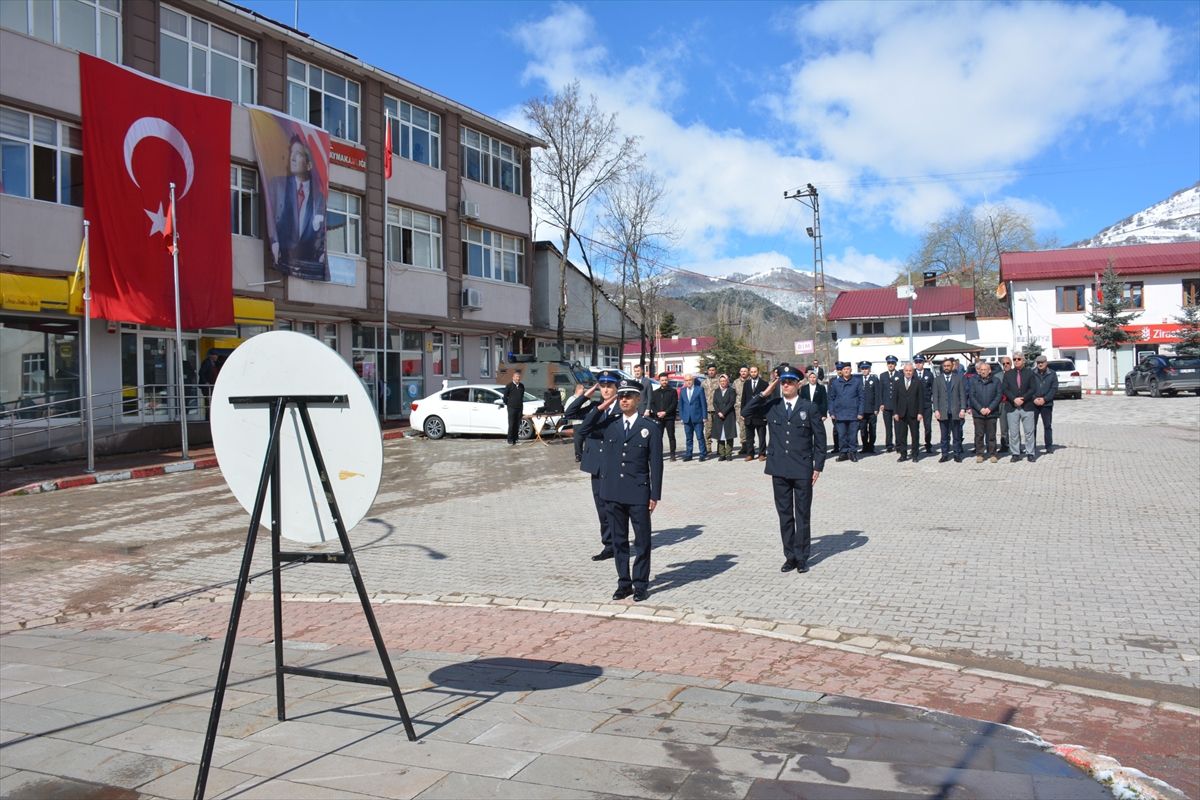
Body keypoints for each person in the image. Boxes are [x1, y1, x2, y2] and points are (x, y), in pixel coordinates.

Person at [577, 380, 663, 602]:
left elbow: (656, 464)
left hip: (638, 493)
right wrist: (603, 405)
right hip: (612, 492)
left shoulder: (650, 427)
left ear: (638, 399)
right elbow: (583, 428)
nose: (624, 400)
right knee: (619, 541)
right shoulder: (610, 425)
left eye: (628, 396)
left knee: (642, 541)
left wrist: (655, 495)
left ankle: (640, 584)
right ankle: (624, 583)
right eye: (621, 396)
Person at [742, 365, 826, 574]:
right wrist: (765, 392)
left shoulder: (809, 407)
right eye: (783, 382)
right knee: (785, 515)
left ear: (798, 384)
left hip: (802, 469)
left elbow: (820, 440)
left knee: (802, 515)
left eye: (790, 382)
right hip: (779, 468)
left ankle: (802, 557)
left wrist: (818, 467)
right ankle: (790, 556)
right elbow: (746, 412)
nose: (786, 385)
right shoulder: (773, 406)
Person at [563, 373, 621, 560]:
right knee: (602, 507)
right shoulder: (594, 407)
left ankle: (619, 543)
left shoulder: (622, 408)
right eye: (602, 386)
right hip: (596, 465)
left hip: (614, 465)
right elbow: (569, 413)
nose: (606, 390)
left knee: (615, 507)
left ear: (617, 388)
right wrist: (587, 394)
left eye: (609, 386)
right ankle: (609, 546)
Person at [271, 134, 327, 280]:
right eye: (291, 153)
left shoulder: (319, 197)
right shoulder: (278, 185)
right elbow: (271, 217)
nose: (292, 158)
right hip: (281, 261)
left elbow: (321, 232)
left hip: (307, 266)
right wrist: (274, 242)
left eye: (298, 154)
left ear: (309, 165)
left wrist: (322, 254)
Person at [1002, 354, 1037, 462]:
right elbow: (1005, 389)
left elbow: (1033, 388)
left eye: (1019, 359)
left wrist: (1023, 398)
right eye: (1014, 359)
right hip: (1012, 406)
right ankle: (1015, 453)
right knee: (1014, 432)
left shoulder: (1030, 373)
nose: (1016, 361)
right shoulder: (1008, 374)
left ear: (1023, 360)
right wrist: (1014, 399)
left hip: (1027, 406)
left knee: (1029, 432)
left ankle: (1030, 453)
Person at [932, 356, 967, 463]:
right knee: (944, 436)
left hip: (956, 411)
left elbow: (962, 395)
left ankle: (957, 454)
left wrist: (963, 409)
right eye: (945, 366)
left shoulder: (958, 378)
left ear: (952, 366)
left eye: (948, 366)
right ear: (942, 367)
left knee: (956, 435)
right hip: (943, 412)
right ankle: (945, 454)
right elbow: (935, 396)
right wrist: (936, 410)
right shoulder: (937, 380)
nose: (946, 367)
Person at [827, 361, 863, 462]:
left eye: (848, 369)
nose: (846, 371)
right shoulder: (835, 383)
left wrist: (860, 412)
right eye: (844, 369)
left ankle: (852, 452)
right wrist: (831, 412)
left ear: (851, 370)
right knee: (842, 435)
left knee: (852, 435)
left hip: (853, 414)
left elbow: (861, 398)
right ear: (841, 371)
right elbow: (831, 398)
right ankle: (843, 453)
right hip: (840, 414)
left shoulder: (857, 382)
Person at [967, 360, 1001, 462]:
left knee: (991, 435)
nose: (983, 371)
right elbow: (972, 396)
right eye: (981, 370)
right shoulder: (974, 381)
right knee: (979, 435)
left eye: (985, 369)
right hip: (978, 413)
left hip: (992, 412)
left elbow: (998, 395)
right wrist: (980, 408)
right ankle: (980, 454)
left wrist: (990, 408)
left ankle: (992, 454)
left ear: (989, 370)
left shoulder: (996, 381)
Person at [893, 362, 924, 462]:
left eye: (910, 371)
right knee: (902, 435)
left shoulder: (917, 382)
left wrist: (920, 412)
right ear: (903, 371)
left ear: (913, 371)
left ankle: (915, 455)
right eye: (906, 370)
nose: (908, 372)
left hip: (913, 413)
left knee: (915, 435)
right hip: (901, 413)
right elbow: (894, 399)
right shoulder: (898, 382)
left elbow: (921, 399)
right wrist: (895, 413)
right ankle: (903, 455)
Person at [1031, 354, 1058, 455]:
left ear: (1046, 363)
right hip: (1034, 404)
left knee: (1047, 425)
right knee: (1032, 426)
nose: (1040, 364)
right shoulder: (1032, 373)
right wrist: (1034, 398)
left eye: (1042, 362)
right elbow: (1029, 387)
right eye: (1038, 363)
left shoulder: (1052, 374)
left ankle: (1049, 446)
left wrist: (1045, 399)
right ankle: (1032, 446)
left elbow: (1054, 388)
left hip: (1047, 404)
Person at [677, 373, 708, 462]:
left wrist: (704, 416)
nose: (688, 382)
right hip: (687, 418)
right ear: (684, 381)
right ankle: (689, 454)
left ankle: (702, 454)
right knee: (688, 438)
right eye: (686, 380)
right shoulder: (683, 391)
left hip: (698, 417)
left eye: (690, 380)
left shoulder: (699, 389)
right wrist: (681, 417)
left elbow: (703, 404)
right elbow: (681, 405)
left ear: (693, 380)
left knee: (700, 437)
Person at [649, 372, 679, 461]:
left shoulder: (673, 391)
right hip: (658, 418)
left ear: (668, 380)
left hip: (669, 417)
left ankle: (672, 454)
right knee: (658, 437)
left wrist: (665, 412)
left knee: (671, 436)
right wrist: (657, 413)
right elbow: (652, 404)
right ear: (659, 381)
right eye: (662, 380)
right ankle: (658, 454)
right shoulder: (655, 392)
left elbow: (674, 404)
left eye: (665, 380)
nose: (664, 382)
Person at [741, 366, 768, 461]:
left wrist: (766, 414)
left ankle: (762, 454)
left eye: (755, 371)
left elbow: (767, 400)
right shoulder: (746, 383)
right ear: (749, 372)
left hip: (760, 414)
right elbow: (743, 399)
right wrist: (743, 413)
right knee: (749, 437)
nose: (753, 373)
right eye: (751, 372)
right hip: (749, 415)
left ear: (758, 372)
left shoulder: (764, 384)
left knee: (762, 436)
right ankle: (750, 454)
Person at [711, 374, 738, 461]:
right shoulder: (717, 391)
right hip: (719, 416)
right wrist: (718, 412)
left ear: (727, 381)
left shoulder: (731, 390)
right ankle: (722, 454)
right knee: (720, 435)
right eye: (721, 381)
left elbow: (731, 402)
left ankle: (728, 454)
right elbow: (714, 402)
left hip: (729, 415)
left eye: (724, 381)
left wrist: (724, 412)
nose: (723, 382)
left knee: (729, 435)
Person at [877, 355, 902, 452]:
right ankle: (889, 445)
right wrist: (881, 403)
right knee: (888, 427)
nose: (890, 365)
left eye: (892, 363)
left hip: (897, 406)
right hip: (886, 405)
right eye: (889, 363)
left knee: (898, 427)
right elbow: (880, 391)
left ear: (895, 364)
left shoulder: (900, 375)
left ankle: (898, 445)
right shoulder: (883, 375)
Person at [914, 354, 935, 454]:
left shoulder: (929, 374)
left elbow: (933, 389)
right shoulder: (912, 374)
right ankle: (916, 445)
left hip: (926, 404)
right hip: (915, 405)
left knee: (928, 427)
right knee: (915, 427)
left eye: (920, 362)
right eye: (916, 362)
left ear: (923, 363)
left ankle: (928, 444)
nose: (918, 364)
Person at [857, 361, 879, 454]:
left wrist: (876, 408)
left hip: (872, 409)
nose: (864, 370)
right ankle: (865, 446)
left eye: (866, 368)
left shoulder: (874, 379)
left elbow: (877, 395)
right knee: (863, 430)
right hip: (862, 410)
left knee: (872, 430)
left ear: (869, 369)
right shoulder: (858, 380)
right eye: (863, 368)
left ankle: (871, 447)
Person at [501, 369, 525, 445]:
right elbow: (505, 397)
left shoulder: (521, 386)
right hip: (511, 408)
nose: (518, 378)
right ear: (513, 377)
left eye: (519, 377)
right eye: (516, 377)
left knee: (518, 424)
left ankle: (516, 438)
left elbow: (521, 396)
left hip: (519, 408)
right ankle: (510, 439)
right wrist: (509, 404)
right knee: (511, 424)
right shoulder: (509, 386)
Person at [996, 356, 1013, 453]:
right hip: (1002, 404)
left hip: (1013, 403)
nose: (1006, 365)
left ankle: (1016, 446)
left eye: (1008, 363)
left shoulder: (1015, 374)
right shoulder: (997, 376)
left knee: (1014, 427)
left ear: (1011, 364)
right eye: (1004, 364)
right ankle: (1004, 445)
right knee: (1003, 427)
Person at [199, 350, 221, 420]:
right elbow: (201, 372)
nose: (216, 357)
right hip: (207, 387)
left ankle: (211, 417)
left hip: (212, 386)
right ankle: (208, 417)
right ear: (210, 356)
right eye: (215, 355)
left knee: (211, 401)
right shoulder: (207, 362)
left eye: (217, 355)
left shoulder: (214, 363)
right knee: (208, 401)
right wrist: (205, 382)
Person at [702, 365, 720, 450]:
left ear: (716, 371)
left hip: (717, 410)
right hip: (707, 410)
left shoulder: (720, 381)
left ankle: (720, 448)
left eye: (713, 370)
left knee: (719, 429)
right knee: (708, 430)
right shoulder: (704, 382)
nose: (711, 372)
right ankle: (708, 447)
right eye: (710, 370)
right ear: (707, 371)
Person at [733, 366, 750, 455]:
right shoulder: (736, 382)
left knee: (750, 426)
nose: (743, 373)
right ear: (739, 372)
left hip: (750, 407)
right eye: (742, 371)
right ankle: (744, 445)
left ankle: (750, 445)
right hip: (739, 407)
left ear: (748, 372)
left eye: (745, 371)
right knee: (742, 427)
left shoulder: (751, 381)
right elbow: (733, 395)